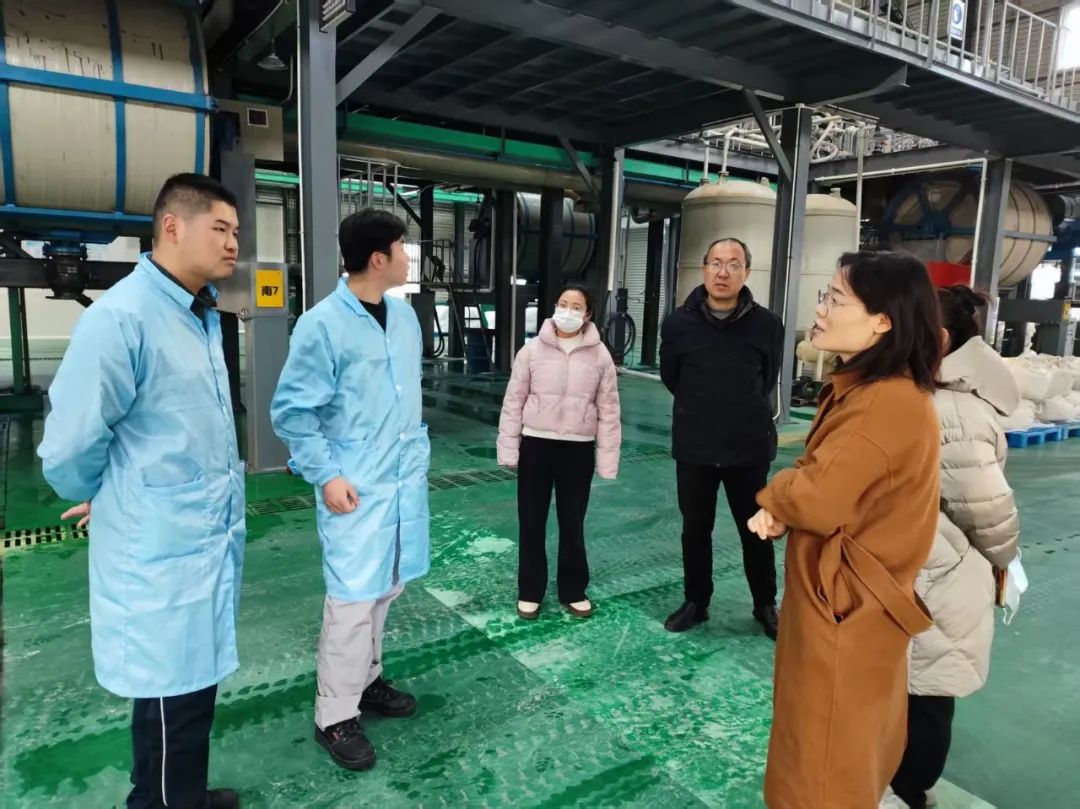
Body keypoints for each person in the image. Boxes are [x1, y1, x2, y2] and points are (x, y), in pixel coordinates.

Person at [38, 174, 244, 809]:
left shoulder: (200, 315)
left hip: (197, 542)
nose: (234, 243)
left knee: (191, 690)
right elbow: (70, 446)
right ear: (172, 227)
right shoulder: (123, 318)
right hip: (160, 553)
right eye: (221, 228)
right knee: (167, 699)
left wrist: (117, 488)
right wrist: (107, 493)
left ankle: (185, 795)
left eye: (236, 231)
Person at [748, 250, 944, 809]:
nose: (822, 309)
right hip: (852, 599)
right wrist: (791, 500)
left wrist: (777, 496)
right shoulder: (872, 388)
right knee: (840, 744)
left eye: (835, 298)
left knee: (823, 758)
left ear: (882, 321)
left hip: (844, 605)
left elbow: (818, 497)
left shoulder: (881, 402)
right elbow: (826, 477)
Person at [270, 208, 429, 772]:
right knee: (351, 600)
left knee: (385, 589)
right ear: (378, 258)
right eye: (403, 248)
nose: (409, 258)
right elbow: (292, 413)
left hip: (400, 482)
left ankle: (367, 681)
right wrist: (327, 475)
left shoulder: (404, 318)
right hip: (354, 487)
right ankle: (334, 716)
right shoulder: (322, 325)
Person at [883, 286, 1021, 809]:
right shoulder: (924, 394)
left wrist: (1005, 563)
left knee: (926, 691)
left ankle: (909, 790)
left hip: (939, 574)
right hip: (929, 567)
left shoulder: (952, 410)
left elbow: (988, 510)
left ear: (937, 340)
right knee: (912, 687)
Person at [659, 237, 784, 637]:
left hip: (747, 447)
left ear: (746, 271)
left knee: (756, 529)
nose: (723, 272)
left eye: (733, 264)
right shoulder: (678, 324)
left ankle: (765, 604)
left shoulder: (767, 325)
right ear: (704, 269)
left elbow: (767, 377)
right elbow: (671, 377)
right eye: (715, 263)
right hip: (695, 447)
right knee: (695, 529)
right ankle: (696, 602)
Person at [496, 284, 622, 620]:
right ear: (554, 307)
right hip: (536, 445)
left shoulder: (600, 356)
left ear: (588, 314)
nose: (568, 311)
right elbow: (513, 401)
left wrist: (607, 459)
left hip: (577, 450)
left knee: (572, 522)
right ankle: (530, 590)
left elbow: (609, 409)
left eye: (576, 306)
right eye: (563, 304)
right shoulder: (531, 351)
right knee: (531, 520)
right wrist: (509, 448)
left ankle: (573, 589)